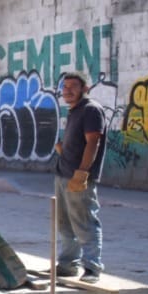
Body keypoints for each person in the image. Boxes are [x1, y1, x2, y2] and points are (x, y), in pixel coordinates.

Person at [54, 71, 106, 281]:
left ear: (85, 88)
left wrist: (83, 172)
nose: (67, 91)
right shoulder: (75, 110)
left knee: (84, 222)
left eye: (73, 87)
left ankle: (92, 268)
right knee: (65, 223)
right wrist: (64, 150)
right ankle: (68, 265)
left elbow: (94, 142)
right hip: (64, 174)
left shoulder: (90, 109)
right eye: (65, 87)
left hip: (78, 176)